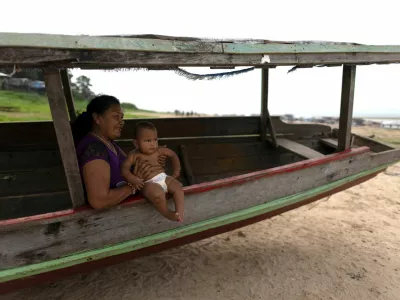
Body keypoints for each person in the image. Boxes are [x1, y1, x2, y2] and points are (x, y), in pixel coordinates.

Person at [72, 95, 166, 210]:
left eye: (122, 117)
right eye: (116, 117)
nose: (122, 122)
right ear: (97, 118)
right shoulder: (94, 149)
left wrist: (153, 162)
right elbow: (99, 201)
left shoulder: (110, 145)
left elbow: (137, 169)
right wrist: (132, 186)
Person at [121, 121, 185, 222]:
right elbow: (124, 168)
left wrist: (177, 170)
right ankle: (167, 213)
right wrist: (132, 179)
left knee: (178, 187)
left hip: (163, 178)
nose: (153, 144)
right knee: (157, 194)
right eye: (147, 141)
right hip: (148, 183)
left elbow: (173, 155)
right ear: (136, 143)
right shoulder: (134, 155)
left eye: (155, 140)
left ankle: (179, 213)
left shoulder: (159, 150)